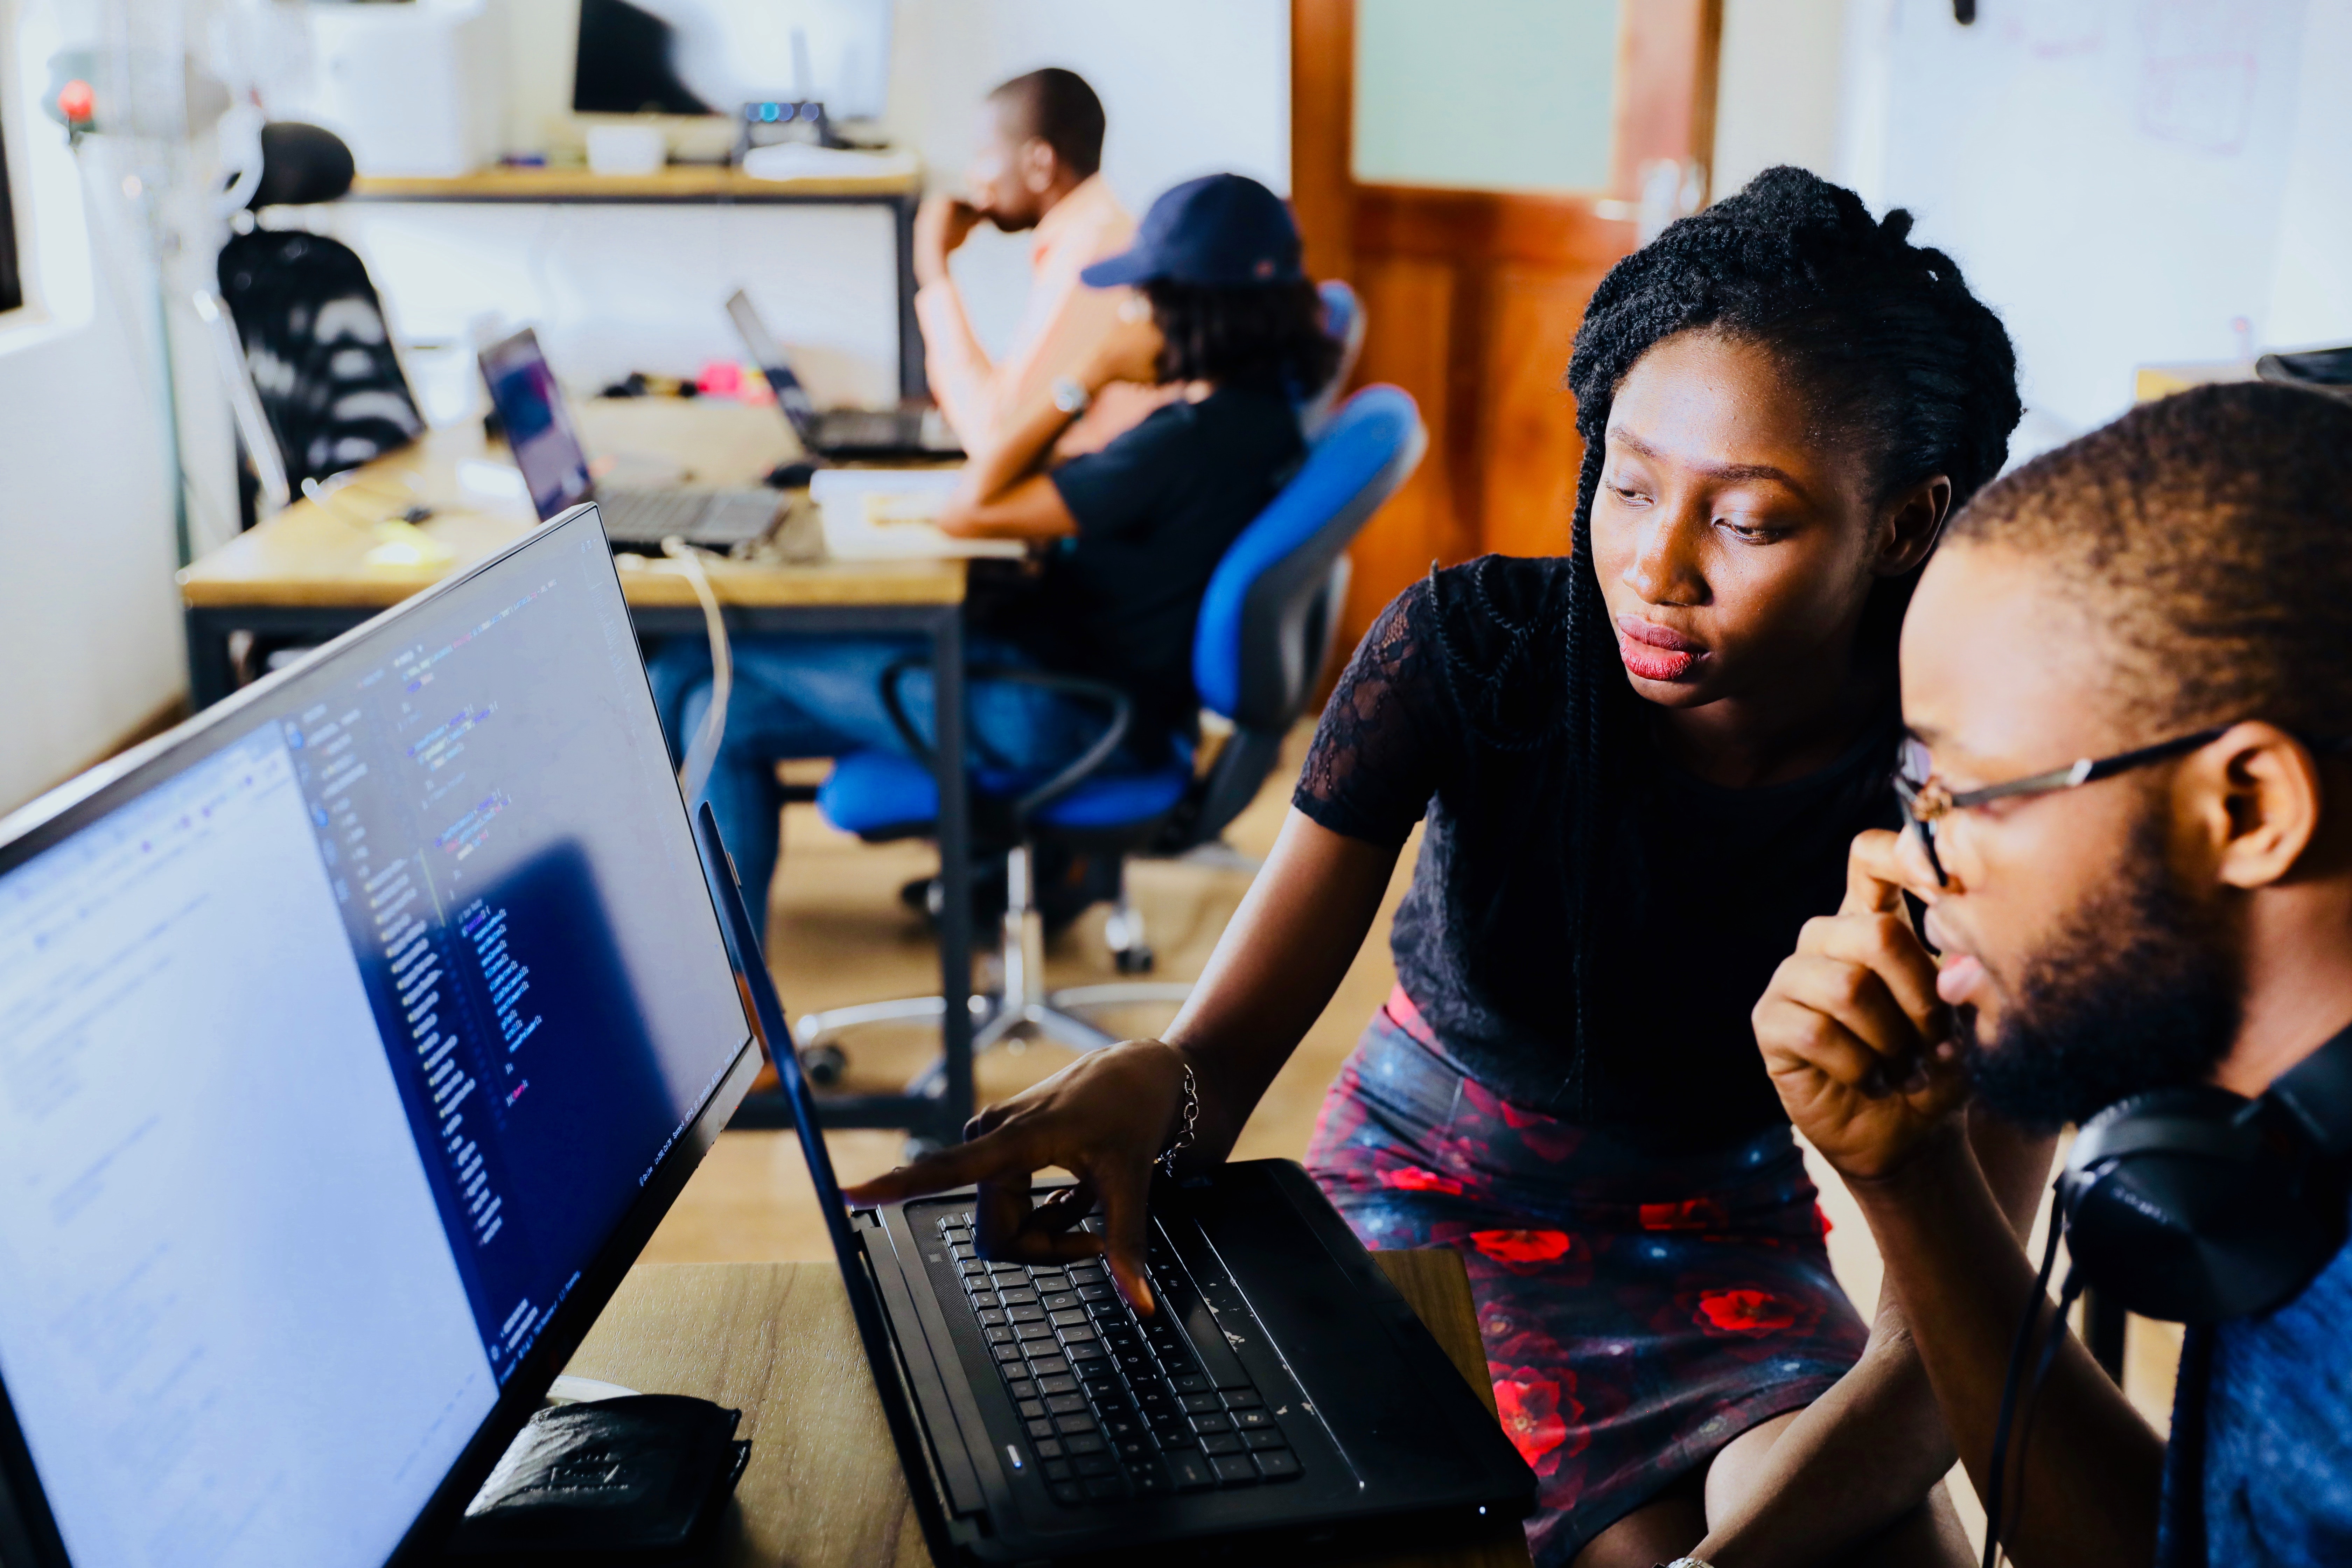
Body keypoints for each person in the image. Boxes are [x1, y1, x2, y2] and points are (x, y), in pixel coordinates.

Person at [849, 167, 2036, 1567]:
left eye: (1747, 520)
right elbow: (1218, 1058)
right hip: (1421, 1208)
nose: (1654, 567)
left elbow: (1955, 1344)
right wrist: (1150, 1084)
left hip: (1722, 1248)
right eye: (1631, 482)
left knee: (1895, 1550)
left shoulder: (1972, 793)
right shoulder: (1473, 656)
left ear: (1904, 523)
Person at [1753, 382, 2352, 1568]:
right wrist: (1914, 1180)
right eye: (1911, 787)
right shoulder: (2265, 1151)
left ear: (2247, 809)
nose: (1900, 859)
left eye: (1963, 795)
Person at [656, 174, 1339, 940]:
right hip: (1093, 692)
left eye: (1141, 297)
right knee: (719, 708)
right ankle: (743, 1001)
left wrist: (1086, 376)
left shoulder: (1183, 445)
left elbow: (970, 506)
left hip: (1059, 713)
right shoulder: (1263, 419)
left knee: (694, 667)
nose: (1127, 313)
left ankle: (703, 980)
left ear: (1190, 308)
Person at [915, 66, 1174, 461]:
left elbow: (997, 438)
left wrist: (933, 272)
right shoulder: (1092, 233)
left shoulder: (1091, 253)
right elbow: (1010, 404)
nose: (973, 177)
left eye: (984, 156)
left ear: (1040, 164)